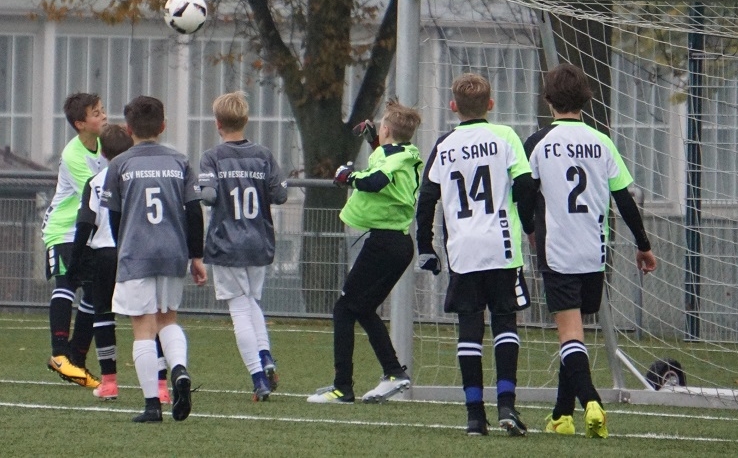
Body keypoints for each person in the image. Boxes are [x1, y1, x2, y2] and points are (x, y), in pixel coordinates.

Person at [523, 63, 657, 439]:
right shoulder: (602, 142)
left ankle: (592, 402)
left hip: (558, 250)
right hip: (595, 251)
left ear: (547, 99)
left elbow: (524, 194)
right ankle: (561, 415)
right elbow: (624, 200)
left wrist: (530, 228)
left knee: (569, 334)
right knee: (577, 332)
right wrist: (643, 245)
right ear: (586, 98)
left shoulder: (537, 143)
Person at [414, 73, 535, 436]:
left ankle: (474, 416)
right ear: (491, 104)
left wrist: (425, 245)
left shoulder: (444, 145)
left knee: (469, 326)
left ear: (453, 107)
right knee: (505, 321)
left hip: (463, 250)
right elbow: (526, 185)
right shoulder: (506, 136)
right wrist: (528, 224)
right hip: (501, 245)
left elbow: (427, 199)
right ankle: (507, 406)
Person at [307, 99, 423, 404]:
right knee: (362, 308)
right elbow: (386, 165)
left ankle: (342, 387)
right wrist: (374, 140)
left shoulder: (392, 158)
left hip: (384, 244)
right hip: (396, 243)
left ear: (387, 130)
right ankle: (393, 372)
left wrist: (348, 177)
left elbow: (375, 180)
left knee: (344, 309)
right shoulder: (405, 153)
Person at [104, 95, 208, 423]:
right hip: (173, 252)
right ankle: (179, 369)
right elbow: (194, 211)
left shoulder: (119, 165)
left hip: (136, 254)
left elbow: (113, 217)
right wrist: (196, 256)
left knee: (143, 329)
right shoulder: (180, 162)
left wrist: (123, 247)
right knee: (167, 320)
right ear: (163, 126)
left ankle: (152, 406)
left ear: (128, 129)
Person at [199, 91, 288, 402]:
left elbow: (209, 196)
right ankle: (265, 356)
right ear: (245, 120)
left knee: (239, 308)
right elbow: (280, 195)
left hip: (227, 242)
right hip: (259, 240)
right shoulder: (263, 155)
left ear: (218, 123)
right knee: (252, 302)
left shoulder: (212, 157)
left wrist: (200, 187)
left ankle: (258, 377)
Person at [40, 93, 107, 389]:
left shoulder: (103, 146)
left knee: (94, 292)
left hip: (88, 230)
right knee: (66, 283)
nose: (103, 116)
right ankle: (59, 354)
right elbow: (97, 194)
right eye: (96, 113)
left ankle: (77, 360)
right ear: (80, 123)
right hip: (64, 229)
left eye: (102, 110)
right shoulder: (73, 155)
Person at [69, 124, 133, 400]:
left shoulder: (95, 182)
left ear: (103, 153)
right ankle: (159, 384)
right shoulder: (135, 178)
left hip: (104, 254)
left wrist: (75, 261)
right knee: (149, 317)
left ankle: (109, 382)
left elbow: (85, 223)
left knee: (103, 315)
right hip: (133, 252)